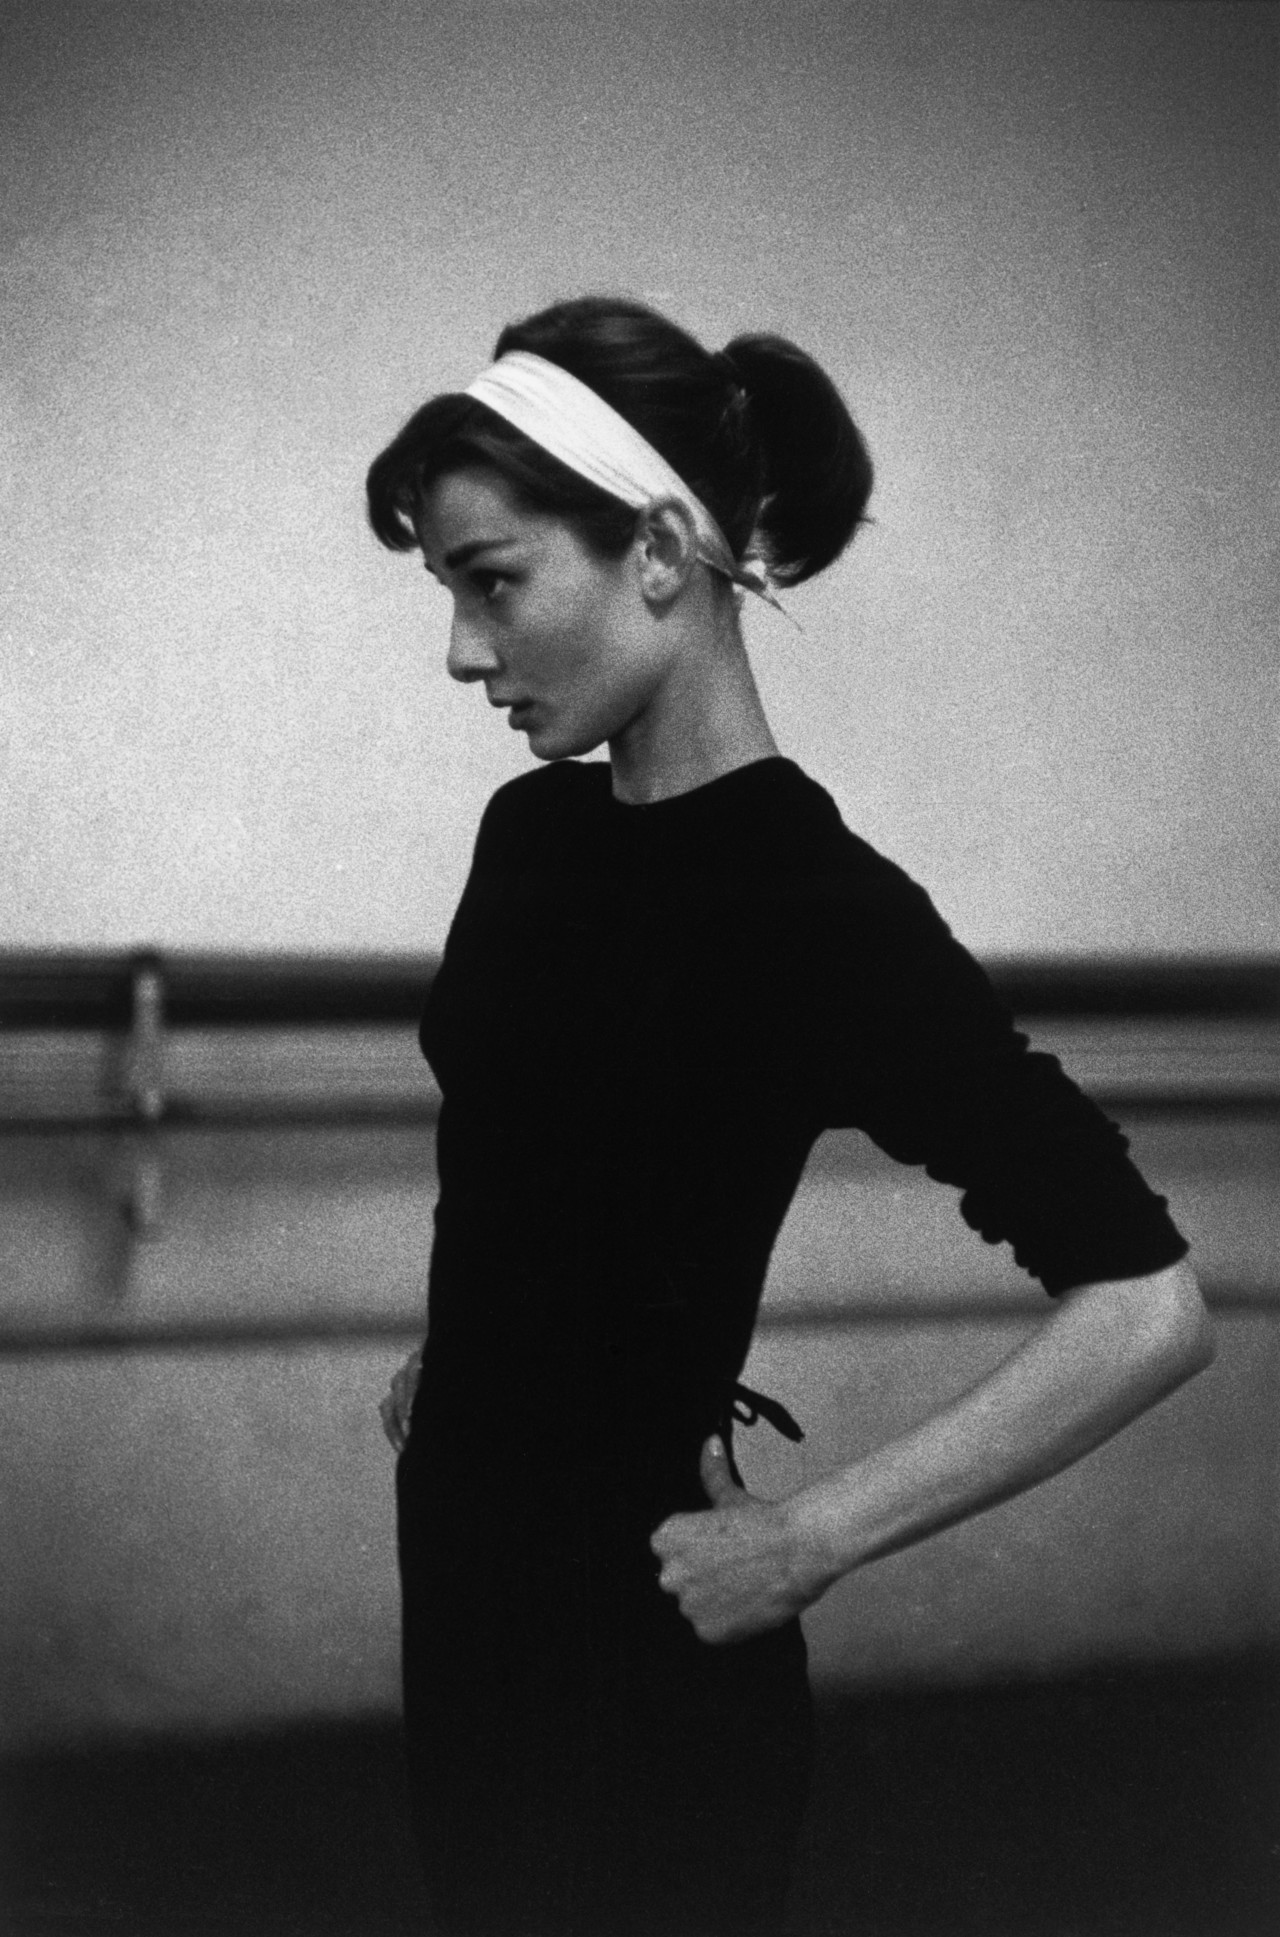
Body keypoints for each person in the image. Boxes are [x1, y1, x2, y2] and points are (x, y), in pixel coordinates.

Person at [367, 297, 1213, 1937]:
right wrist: (475, 1342)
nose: (463, 651)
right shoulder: (529, 838)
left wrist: (816, 1534)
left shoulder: (815, 909)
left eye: (493, 581)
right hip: (465, 1581)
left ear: (659, 552)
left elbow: (1148, 1304)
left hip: (652, 1637)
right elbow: (554, 1145)